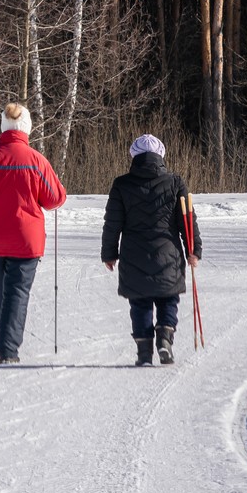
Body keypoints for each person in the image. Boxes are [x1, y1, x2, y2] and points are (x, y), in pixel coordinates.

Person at [0, 102, 67, 363]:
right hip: (26, 241)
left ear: (3, 127)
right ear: (27, 128)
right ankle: (8, 349)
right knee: (17, 293)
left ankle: (4, 336)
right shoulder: (36, 160)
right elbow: (55, 198)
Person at [101, 133, 202, 366]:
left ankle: (144, 353)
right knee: (168, 299)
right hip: (168, 254)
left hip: (133, 255)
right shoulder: (175, 183)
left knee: (139, 302)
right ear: (161, 155)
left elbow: (112, 223)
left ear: (133, 156)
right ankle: (165, 338)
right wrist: (193, 250)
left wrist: (109, 254)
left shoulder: (121, 184)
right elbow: (187, 220)